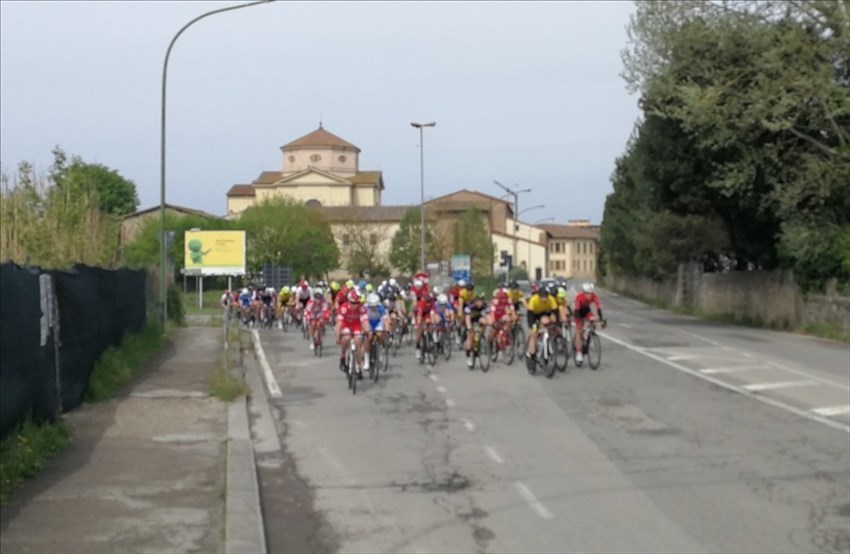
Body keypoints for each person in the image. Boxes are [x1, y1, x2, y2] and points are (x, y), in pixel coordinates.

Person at [335, 289, 369, 378]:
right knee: (346, 338)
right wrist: (337, 337)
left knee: (358, 342)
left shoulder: (362, 308)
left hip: (356, 326)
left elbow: (365, 322)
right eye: (353, 303)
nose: (355, 305)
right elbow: (338, 324)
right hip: (345, 325)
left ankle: (358, 366)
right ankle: (342, 355)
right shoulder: (343, 308)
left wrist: (367, 331)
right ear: (349, 301)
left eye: (357, 303)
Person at [525, 283, 559, 368]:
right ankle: (531, 354)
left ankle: (546, 343)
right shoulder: (534, 299)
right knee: (534, 335)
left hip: (545, 313)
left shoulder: (551, 299)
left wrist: (556, 323)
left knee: (550, 322)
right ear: (539, 295)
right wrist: (532, 326)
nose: (544, 298)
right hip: (534, 315)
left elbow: (555, 311)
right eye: (542, 296)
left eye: (545, 296)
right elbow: (530, 315)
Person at [573, 282, 605, 365]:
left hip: (587, 311)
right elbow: (576, 310)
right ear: (584, 292)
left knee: (593, 321)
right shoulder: (579, 297)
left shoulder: (594, 296)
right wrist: (578, 320)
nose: (589, 295)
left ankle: (589, 336)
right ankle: (578, 352)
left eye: (591, 293)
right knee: (579, 331)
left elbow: (598, 308)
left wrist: (601, 319)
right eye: (587, 293)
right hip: (579, 312)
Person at [364, 293, 389, 370]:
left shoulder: (381, 307)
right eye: (371, 306)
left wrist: (387, 329)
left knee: (379, 334)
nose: (373, 307)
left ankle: (380, 349)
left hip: (378, 322)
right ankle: (366, 361)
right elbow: (363, 320)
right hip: (369, 322)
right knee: (369, 337)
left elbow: (385, 320)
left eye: (375, 306)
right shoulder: (364, 308)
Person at [464, 292, 489, 368]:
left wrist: (489, 322)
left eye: (481, 301)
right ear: (475, 301)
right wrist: (469, 327)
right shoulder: (470, 306)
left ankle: (481, 336)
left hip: (478, 319)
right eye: (478, 301)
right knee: (470, 336)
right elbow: (467, 318)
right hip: (470, 320)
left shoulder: (485, 305)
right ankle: (468, 356)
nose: (480, 303)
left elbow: (488, 315)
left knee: (484, 322)